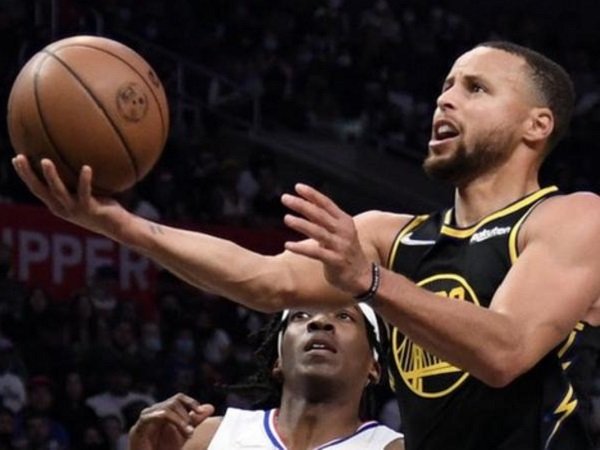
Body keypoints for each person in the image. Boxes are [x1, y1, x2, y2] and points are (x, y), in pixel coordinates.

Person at [11, 40, 600, 449]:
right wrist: (119, 223)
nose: (445, 99)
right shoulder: (390, 236)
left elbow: (507, 351)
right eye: (446, 85)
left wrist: (369, 282)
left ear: (536, 125)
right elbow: (264, 281)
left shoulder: (571, 217)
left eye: (475, 89)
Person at [127, 304, 404, 449]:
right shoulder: (207, 437)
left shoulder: (393, 447)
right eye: (301, 315)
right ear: (278, 361)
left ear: (374, 367)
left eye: (344, 315)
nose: (319, 322)